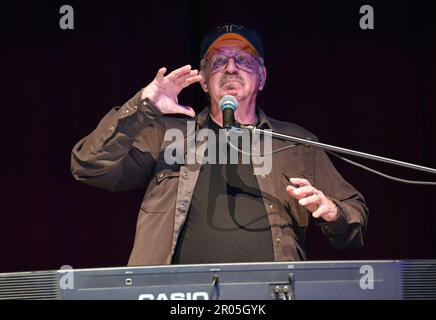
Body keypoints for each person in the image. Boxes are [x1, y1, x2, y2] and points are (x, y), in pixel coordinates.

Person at [71, 23, 368, 266]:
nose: (230, 68)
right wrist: (143, 106)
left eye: (243, 60)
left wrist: (332, 212)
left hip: (269, 293)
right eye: (218, 61)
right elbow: (89, 166)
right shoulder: (166, 133)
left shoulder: (296, 143)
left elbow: (353, 222)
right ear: (203, 81)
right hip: (179, 300)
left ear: (261, 77)